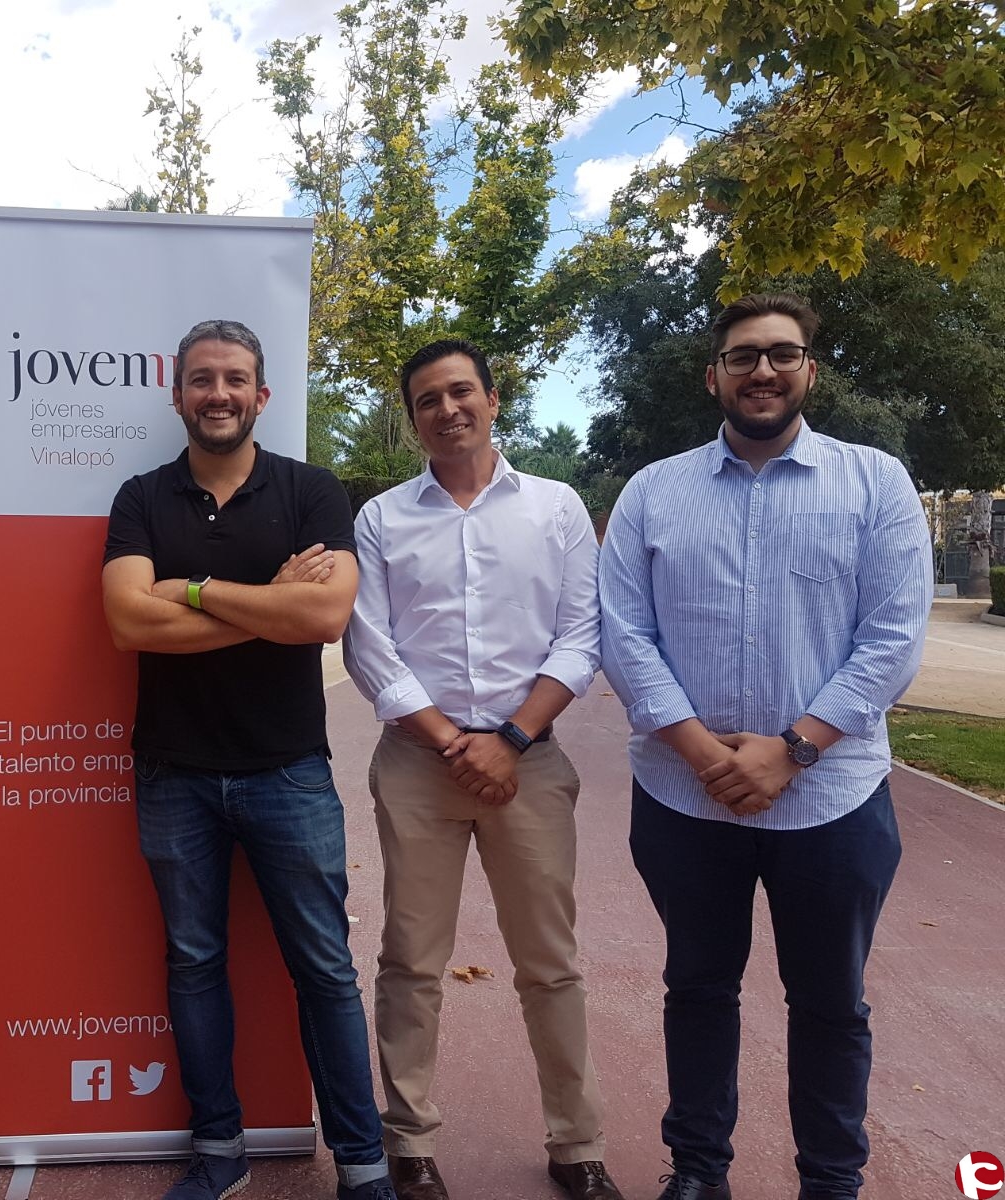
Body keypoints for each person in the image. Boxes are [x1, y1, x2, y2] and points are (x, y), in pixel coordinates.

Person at [598, 294, 932, 1200]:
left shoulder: (874, 483)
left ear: (809, 372)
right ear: (713, 376)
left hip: (833, 797)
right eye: (742, 356)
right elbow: (624, 634)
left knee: (830, 1002)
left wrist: (793, 749)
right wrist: (702, 753)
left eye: (782, 354)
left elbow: (893, 637)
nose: (762, 371)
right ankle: (698, 1170)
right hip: (684, 795)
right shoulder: (653, 492)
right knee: (698, 989)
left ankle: (832, 1179)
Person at [102, 319, 396, 1200]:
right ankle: (219, 1153)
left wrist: (193, 591)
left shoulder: (312, 491)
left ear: (262, 395)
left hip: (288, 771)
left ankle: (363, 1166)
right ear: (177, 395)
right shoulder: (141, 497)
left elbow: (324, 618)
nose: (218, 393)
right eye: (202, 379)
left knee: (325, 969)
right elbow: (127, 622)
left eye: (235, 379)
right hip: (174, 772)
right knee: (194, 965)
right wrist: (271, 604)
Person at [342, 339, 622, 1200]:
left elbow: (582, 634)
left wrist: (511, 739)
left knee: (550, 961)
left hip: (528, 763)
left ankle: (577, 1145)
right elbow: (370, 645)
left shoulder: (557, 508)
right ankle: (409, 1142)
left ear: (494, 401)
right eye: (427, 399)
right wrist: (450, 741)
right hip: (418, 764)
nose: (448, 409)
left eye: (462, 391)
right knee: (410, 959)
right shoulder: (382, 518)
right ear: (413, 419)